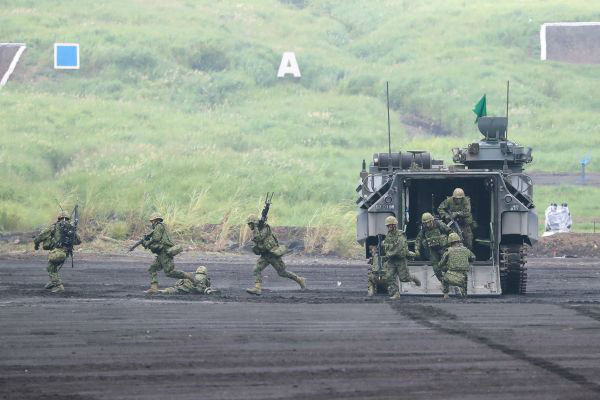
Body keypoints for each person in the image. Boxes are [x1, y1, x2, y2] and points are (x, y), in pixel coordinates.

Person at [245, 215, 306, 295]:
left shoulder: (265, 228)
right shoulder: (257, 231)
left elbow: (259, 238)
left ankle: (299, 279)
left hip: (273, 254)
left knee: (282, 273)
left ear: (255, 223)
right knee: (256, 269)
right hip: (265, 255)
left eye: (251, 224)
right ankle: (257, 288)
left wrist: (256, 227)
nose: (249, 226)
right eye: (248, 224)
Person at [142, 213, 194, 294]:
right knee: (152, 268)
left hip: (165, 252)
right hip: (161, 254)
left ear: (156, 220)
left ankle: (187, 276)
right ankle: (153, 288)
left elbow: (156, 238)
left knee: (169, 272)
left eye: (152, 221)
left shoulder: (159, 226)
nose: (151, 223)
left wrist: (147, 243)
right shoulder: (161, 226)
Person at [33, 211, 81, 293]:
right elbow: (78, 241)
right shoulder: (71, 228)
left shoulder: (55, 227)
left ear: (59, 218)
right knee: (53, 266)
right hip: (66, 253)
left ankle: (58, 286)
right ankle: (53, 281)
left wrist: (36, 245)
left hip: (58, 252)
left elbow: (40, 237)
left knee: (50, 268)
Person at [382, 216, 421, 299]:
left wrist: (389, 253)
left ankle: (413, 278)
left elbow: (399, 247)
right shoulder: (388, 235)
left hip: (400, 260)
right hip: (392, 260)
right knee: (389, 276)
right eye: (387, 226)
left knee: (404, 278)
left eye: (390, 225)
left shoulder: (400, 234)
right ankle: (396, 293)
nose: (388, 227)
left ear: (394, 225)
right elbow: (386, 246)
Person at [414, 212, 451, 282]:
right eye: (425, 223)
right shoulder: (424, 229)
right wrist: (417, 250)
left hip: (443, 248)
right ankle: (443, 281)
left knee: (446, 265)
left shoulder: (439, 224)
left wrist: (453, 245)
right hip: (433, 250)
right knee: (436, 267)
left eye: (428, 222)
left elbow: (450, 232)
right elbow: (418, 240)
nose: (427, 225)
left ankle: (450, 278)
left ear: (432, 220)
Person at [439, 232, 475, 299]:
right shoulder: (466, 250)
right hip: (463, 276)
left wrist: (444, 267)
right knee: (464, 282)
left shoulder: (448, 251)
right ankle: (463, 293)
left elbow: (441, 264)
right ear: (458, 240)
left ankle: (446, 295)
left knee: (444, 279)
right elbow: (473, 258)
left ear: (450, 241)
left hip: (451, 275)